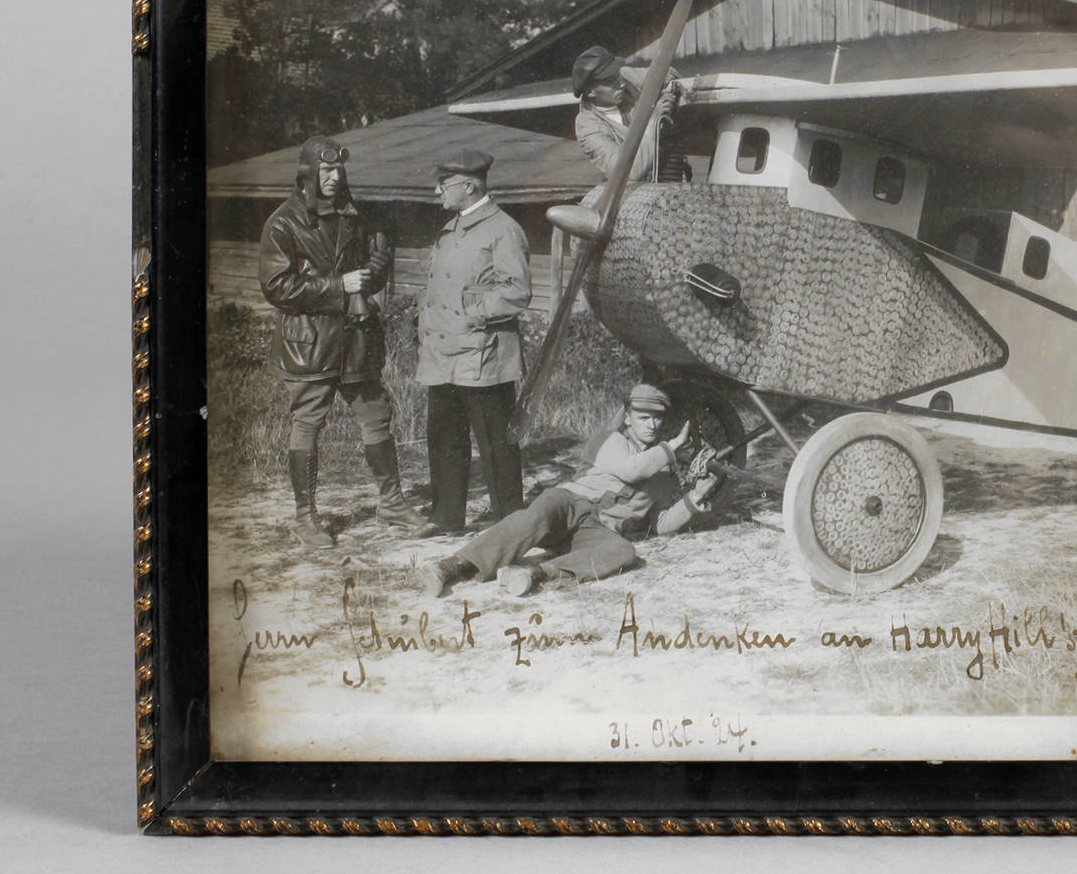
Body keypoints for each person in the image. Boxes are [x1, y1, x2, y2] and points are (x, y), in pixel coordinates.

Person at [258, 137, 433, 547]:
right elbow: (275, 285)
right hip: (311, 343)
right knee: (308, 424)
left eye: (339, 171)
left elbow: (377, 251)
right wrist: (338, 285)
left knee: (376, 415)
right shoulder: (283, 223)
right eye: (326, 172)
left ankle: (391, 502)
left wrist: (373, 268)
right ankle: (305, 517)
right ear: (307, 175)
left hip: (356, 337)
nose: (335, 178)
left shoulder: (354, 216)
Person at [416, 383, 728, 597]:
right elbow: (632, 470)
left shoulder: (662, 471)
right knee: (532, 518)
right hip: (569, 503)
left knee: (622, 551)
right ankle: (454, 566)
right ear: (629, 418)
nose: (651, 425)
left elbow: (659, 526)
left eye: (657, 419)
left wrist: (697, 494)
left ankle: (537, 574)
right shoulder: (613, 440)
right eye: (643, 417)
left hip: (596, 528)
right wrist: (672, 447)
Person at [416, 147, 533, 533]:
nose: (438, 192)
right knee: (444, 437)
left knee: (496, 445)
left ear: (468, 185)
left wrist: (472, 314)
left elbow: (516, 291)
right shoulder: (450, 229)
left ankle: (509, 523)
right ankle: (447, 517)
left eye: (444, 185)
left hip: (483, 355)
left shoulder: (503, 229)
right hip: (443, 354)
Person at [569, 44, 689, 183]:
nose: (620, 84)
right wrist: (651, 120)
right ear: (591, 91)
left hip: (670, 173)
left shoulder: (625, 76)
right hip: (631, 194)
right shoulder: (588, 128)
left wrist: (666, 93)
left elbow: (668, 73)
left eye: (617, 76)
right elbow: (627, 173)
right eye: (611, 82)